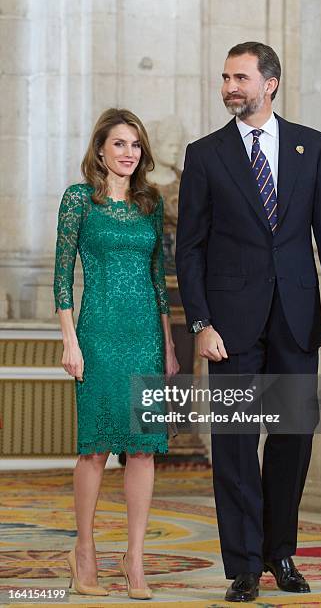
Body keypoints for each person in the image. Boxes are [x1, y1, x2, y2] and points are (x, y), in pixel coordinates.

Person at [176, 42, 321, 602]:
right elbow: (190, 250)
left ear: (270, 83)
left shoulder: (312, 146)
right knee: (233, 444)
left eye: (241, 77)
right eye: (226, 76)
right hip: (230, 328)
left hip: (298, 322)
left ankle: (281, 552)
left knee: (293, 440)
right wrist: (200, 321)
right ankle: (244, 566)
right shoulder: (205, 155)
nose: (230, 86)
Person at [53, 108, 179, 599]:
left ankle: (135, 556)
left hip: (145, 336)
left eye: (136, 146)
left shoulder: (151, 203)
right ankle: (83, 548)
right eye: (120, 144)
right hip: (98, 335)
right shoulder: (79, 200)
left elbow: (158, 282)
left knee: (144, 447)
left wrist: (167, 344)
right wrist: (70, 340)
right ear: (101, 149)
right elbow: (62, 277)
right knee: (95, 447)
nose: (130, 153)